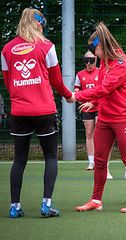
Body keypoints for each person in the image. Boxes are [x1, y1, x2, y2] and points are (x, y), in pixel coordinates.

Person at [1, 8, 73, 218]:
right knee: (50, 156)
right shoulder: (46, 46)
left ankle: (14, 207)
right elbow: (56, 79)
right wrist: (68, 96)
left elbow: (8, 82)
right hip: (44, 111)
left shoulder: (7, 49)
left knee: (19, 159)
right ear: (39, 23)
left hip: (19, 111)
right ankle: (46, 205)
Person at [73, 22, 126, 213]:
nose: (91, 54)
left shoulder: (121, 64)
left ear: (101, 46)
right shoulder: (105, 64)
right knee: (99, 160)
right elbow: (106, 92)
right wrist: (95, 104)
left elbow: (106, 88)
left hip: (123, 118)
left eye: (93, 49)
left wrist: (77, 96)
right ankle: (96, 200)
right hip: (105, 119)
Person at [75, 51, 114, 179]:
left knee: (100, 132)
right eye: (86, 60)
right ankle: (91, 161)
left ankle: (101, 161)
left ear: (96, 60)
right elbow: (76, 90)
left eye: (91, 60)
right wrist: (80, 97)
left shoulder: (101, 71)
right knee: (89, 133)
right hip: (87, 106)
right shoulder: (80, 74)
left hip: (99, 105)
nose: (89, 63)